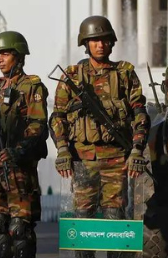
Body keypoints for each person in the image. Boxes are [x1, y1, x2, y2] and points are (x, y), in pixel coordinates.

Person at [50, 16, 149, 241]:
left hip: (116, 157)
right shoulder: (72, 76)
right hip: (82, 158)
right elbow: (58, 117)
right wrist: (63, 151)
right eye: (94, 40)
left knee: (115, 217)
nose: (100, 45)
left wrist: (137, 150)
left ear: (112, 42)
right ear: (85, 44)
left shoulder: (124, 73)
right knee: (83, 219)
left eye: (104, 40)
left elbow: (139, 114)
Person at [0, 30, 48, 258]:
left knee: (19, 228)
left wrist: (18, 150)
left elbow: (38, 125)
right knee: (0, 226)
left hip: (19, 167)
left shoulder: (31, 86)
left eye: (5, 54)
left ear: (19, 56)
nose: (0, 60)